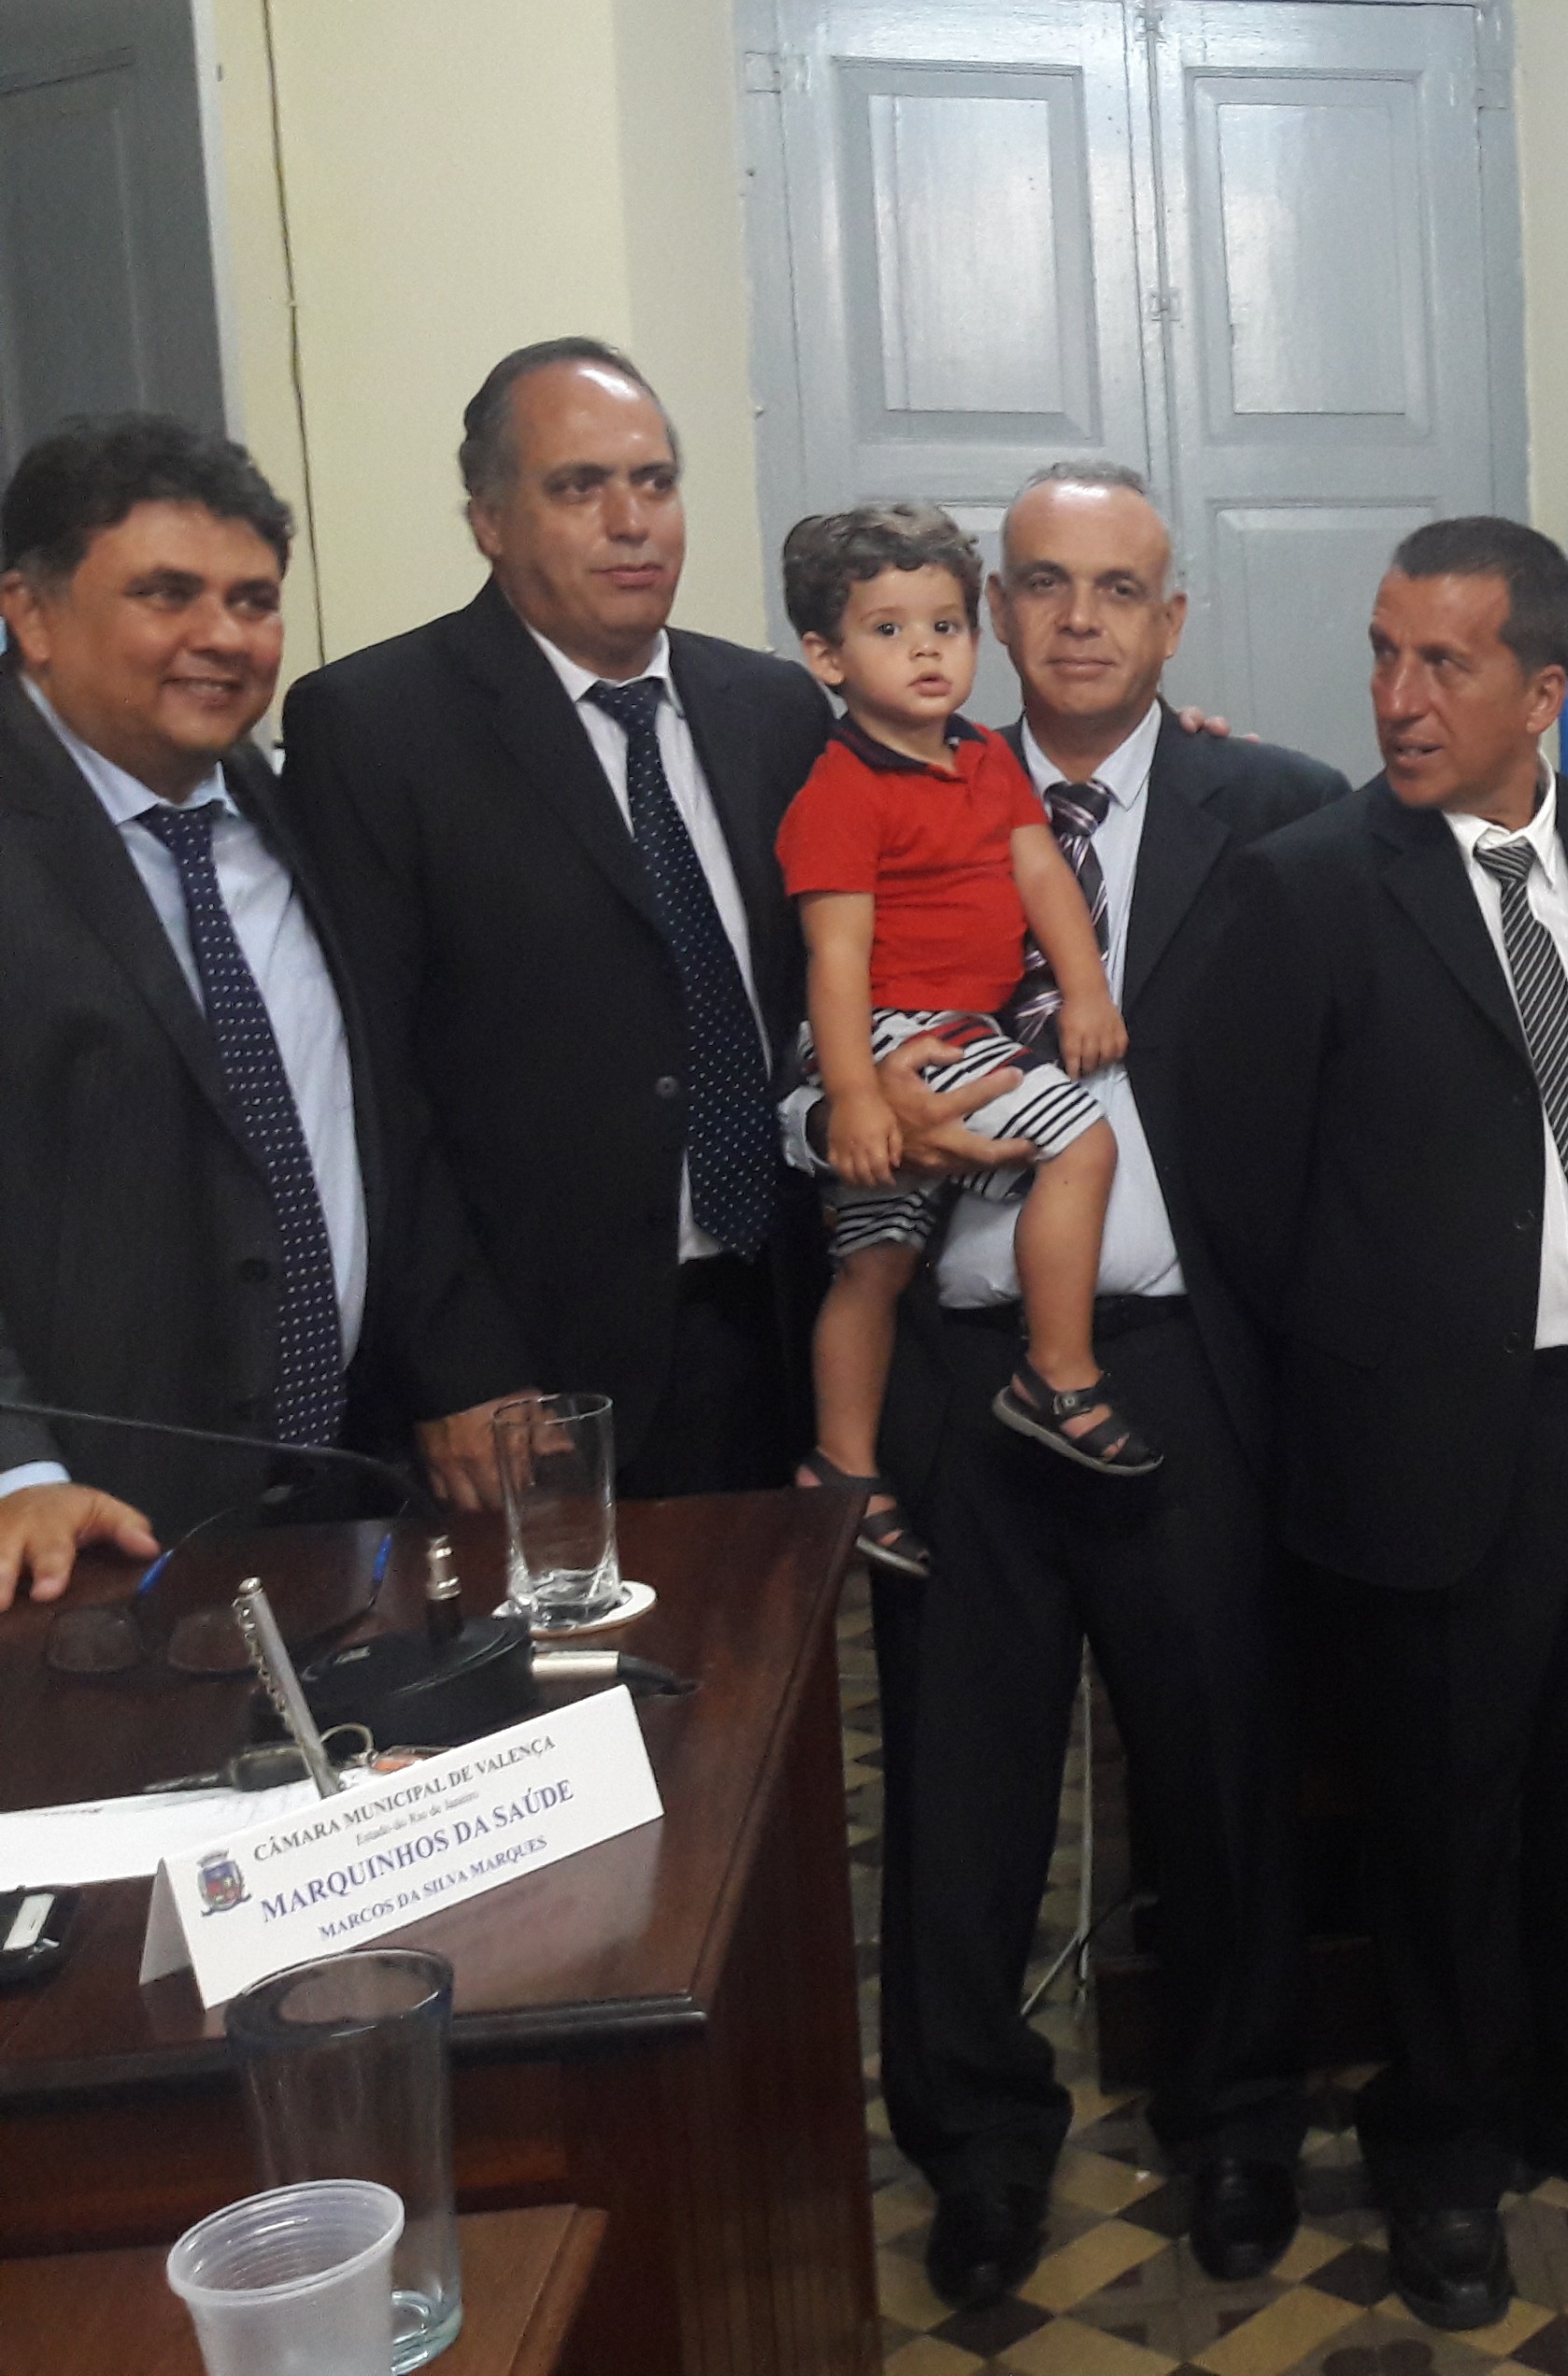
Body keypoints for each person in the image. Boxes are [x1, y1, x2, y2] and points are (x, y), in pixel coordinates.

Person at [796, 462, 1345, 2307]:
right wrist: (857, 1106)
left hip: (1181, 1372)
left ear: (1173, 619)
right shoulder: (882, 783)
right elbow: (794, 1044)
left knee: (1221, 1769)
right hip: (955, 1374)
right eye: (1042, 582)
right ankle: (975, 2144)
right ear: (993, 610)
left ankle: (1238, 2115)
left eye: (1120, 587)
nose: (1081, 618)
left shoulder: (1280, 809)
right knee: (960, 1789)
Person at [1193, 517, 1568, 2329]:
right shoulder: (1308, 885)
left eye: (1444, 662)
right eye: (1384, 653)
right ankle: (1441, 2144)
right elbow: (1241, 1200)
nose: (1399, 697)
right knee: (1443, 1818)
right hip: (1427, 1442)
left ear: (1543, 688)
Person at [282, 338, 832, 1498]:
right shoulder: (375, 728)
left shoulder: (775, 710)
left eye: (655, 482)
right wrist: (453, 1365)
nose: (632, 523)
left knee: (778, 1623)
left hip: (778, 1324)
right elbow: (371, 1083)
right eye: (580, 487)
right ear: (488, 520)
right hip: (533, 1370)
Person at [0, 416, 513, 1579]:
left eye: (254, 600)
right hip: (83, 1535)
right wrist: (17, 1472)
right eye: (166, 594)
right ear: (31, 614)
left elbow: (372, 1115)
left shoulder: (283, 802)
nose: (223, 638)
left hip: (343, 1490)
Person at [773, 503, 1141, 1562]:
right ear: (826, 657)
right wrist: (854, 1096)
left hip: (952, 1027)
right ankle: (1057, 1373)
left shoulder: (982, 757)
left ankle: (841, 1467)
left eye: (945, 626)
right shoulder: (839, 792)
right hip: (894, 1032)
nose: (926, 651)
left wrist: (1086, 993)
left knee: (877, 1260)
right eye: (888, 630)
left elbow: (1042, 875)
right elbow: (834, 959)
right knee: (1081, 1145)